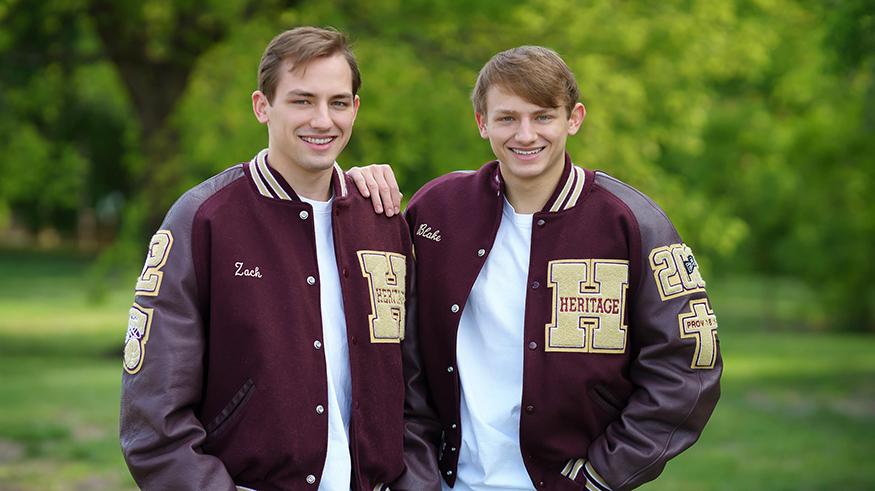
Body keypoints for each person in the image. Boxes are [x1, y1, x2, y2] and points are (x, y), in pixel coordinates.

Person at [349, 46, 722, 490]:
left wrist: (603, 475)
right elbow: (395, 345)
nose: (525, 135)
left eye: (543, 116)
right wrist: (352, 187)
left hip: (566, 480)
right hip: (446, 480)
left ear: (574, 118)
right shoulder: (438, 211)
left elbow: (689, 364)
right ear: (482, 122)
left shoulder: (630, 222)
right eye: (507, 118)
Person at [119, 26, 440, 490]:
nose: (323, 120)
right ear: (262, 106)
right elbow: (153, 417)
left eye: (338, 102)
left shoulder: (383, 221)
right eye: (302, 100)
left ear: (356, 108)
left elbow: (417, 392)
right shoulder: (205, 218)